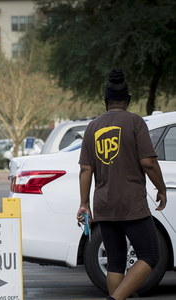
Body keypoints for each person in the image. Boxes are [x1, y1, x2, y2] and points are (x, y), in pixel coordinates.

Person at [77, 69, 167, 300]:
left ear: (105, 101)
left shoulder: (93, 127)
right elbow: (148, 162)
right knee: (150, 255)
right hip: (132, 203)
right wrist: (161, 188)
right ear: (128, 100)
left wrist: (84, 203)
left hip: (104, 204)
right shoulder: (135, 122)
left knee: (116, 262)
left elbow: (86, 169)